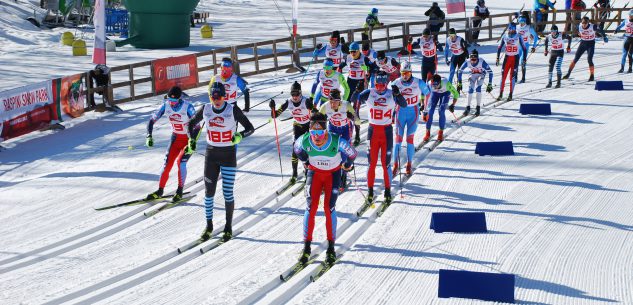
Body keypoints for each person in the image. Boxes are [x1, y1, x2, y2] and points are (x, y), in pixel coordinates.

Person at [188, 82, 255, 242]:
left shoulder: (232, 110)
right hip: (211, 155)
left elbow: (250, 128)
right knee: (208, 194)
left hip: (228, 156)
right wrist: (192, 140)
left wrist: (240, 136)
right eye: (213, 97)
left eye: (218, 97)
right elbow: (191, 124)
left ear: (224, 96)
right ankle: (209, 226)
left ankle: (228, 227)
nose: (216, 100)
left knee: (227, 193)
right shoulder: (205, 109)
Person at [294, 112, 357, 266]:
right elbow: (296, 148)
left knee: (329, 208)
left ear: (326, 131)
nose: (316, 136)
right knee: (311, 207)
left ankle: (331, 248)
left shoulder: (337, 141)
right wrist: (304, 161)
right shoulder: (305, 140)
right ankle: (306, 247)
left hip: (332, 175)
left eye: (320, 132)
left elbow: (352, 153)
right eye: (313, 132)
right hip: (314, 174)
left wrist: (347, 165)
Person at [352, 71, 407, 204]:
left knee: (385, 164)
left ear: (386, 84)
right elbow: (354, 99)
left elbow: (404, 104)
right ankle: (370, 191)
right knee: (371, 164)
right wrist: (357, 90)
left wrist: (398, 94)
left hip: (386, 131)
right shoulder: (370, 92)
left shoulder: (391, 93)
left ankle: (387, 191)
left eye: (382, 85)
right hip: (373, 132)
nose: (379, 88)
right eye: (377, 85)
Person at [145, 86, 200, 202]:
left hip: (188, 139)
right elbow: (151, 121)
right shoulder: (166, 105)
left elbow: (197, 127)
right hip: (175, 138)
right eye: (170, 100)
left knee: (180, 162)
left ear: (180, 99)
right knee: (167, 165)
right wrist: (149, 135)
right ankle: (160, 191)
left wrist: (193, 140)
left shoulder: (188, 107)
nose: (172, 103)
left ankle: (179, 191)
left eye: (174, 101)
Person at [269, 81, 315, 183]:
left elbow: (316, 114)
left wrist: (311, 107)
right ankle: (294, 173)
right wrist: (272, 108)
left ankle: (308, 170)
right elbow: (274, 115)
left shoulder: (305, 101)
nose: (295, 96)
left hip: (308, 126)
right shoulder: (288, 102)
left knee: (308, 149)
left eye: (297, 94)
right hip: (297, 126)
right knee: (295, 149)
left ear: (300, 92)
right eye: (292, 94)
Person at [390, 61, 430, 176]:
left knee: (409, 140)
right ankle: (395, 165)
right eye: (402, 73)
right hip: (400, 113)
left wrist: (426, 110)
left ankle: (409, 164)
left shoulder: (418, 82)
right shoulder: (396, 83)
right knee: (397, 140)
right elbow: (389, 97)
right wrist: (391, 113)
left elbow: (428, 94)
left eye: (407, 73)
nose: (404, 75)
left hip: (413, 112)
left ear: (411, 72)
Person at [319, 89, 359, 191]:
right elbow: (317, 119)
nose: (332, 104)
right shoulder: (325, 106)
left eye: (335, 102)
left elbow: (357, 120)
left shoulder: (346, 105)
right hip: (333, 128)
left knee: (344, 152)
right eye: (331, 101)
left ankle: (343, 177)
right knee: (332, 151)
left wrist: (353, 118)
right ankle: (330, 176)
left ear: (339, 101)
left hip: (346, 128)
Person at [342, 41, 378, 146]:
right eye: (351, 51)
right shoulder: (348, 58)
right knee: (345, 108)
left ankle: (357, 136)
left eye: (354, 51)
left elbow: (375, 68)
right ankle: (345, 132)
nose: (352, 53)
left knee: (355, 111)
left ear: (358, 51)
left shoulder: (364, 58)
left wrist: (367, 69)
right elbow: (339, 66)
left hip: (360, 85)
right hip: (350, 84)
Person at [563, 16, 607, 82]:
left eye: (585, 23)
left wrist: (604, 36)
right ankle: (568, 73)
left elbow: (600, 30)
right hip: (583, 43)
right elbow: (577, 33)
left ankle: (592, 75)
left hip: (591, 44)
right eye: (583, 23)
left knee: (589, 59)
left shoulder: (592, 26)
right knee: (575, 59)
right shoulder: (580, 26)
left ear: (588, 23)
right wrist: (578, 34)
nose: (584, 24)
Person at [422, 74, 459, 142]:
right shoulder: (430, 84)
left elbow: (456, 94)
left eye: (436, 85)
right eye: (434, 85)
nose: (435, 87)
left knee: (441, 110)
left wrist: (453, 105)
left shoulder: (446, 83)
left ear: (440, 82)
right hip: (435, 94)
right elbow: (424, 95)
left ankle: (440, 133)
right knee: (430, 112)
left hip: (445, 93)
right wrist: (424, 109)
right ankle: (427, 132)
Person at [496, 22, 527, 101]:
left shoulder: (518, 36)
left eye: (512, 28)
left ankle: (510, 94)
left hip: (515, 59)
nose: (511, 30)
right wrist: (497, 58)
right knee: (503, 76)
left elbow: (524, 48)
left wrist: (524, 59)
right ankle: (501, 94)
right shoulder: (505, 36)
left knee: (512, 77)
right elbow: (499, 48)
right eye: (509, 28)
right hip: (507, 59)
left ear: (514, 29)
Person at [457, 49, 493, 116]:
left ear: (478, 58)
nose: (473, 62)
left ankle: (478, 107)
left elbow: (491, 72)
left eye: (475, 59)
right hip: (473, 74)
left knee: (478, 88)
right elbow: (460, 71)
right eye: (471, 59)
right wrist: (459, 82)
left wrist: (490, 84)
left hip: (481, 74)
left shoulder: (482, 62)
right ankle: (467, 107)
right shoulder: (467, 62)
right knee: (470, 89)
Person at [517, 16, 539, 83]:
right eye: (520, 22)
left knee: (522, 62)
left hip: (525, 46)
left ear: (525, 21)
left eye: (523, 22)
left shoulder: (529, 28)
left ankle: (523, 78)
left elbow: (536, 37)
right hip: (518, 46)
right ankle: (515, 77)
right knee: (516, 61)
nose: (521, 23)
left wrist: (534, 46)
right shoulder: (516, 27)